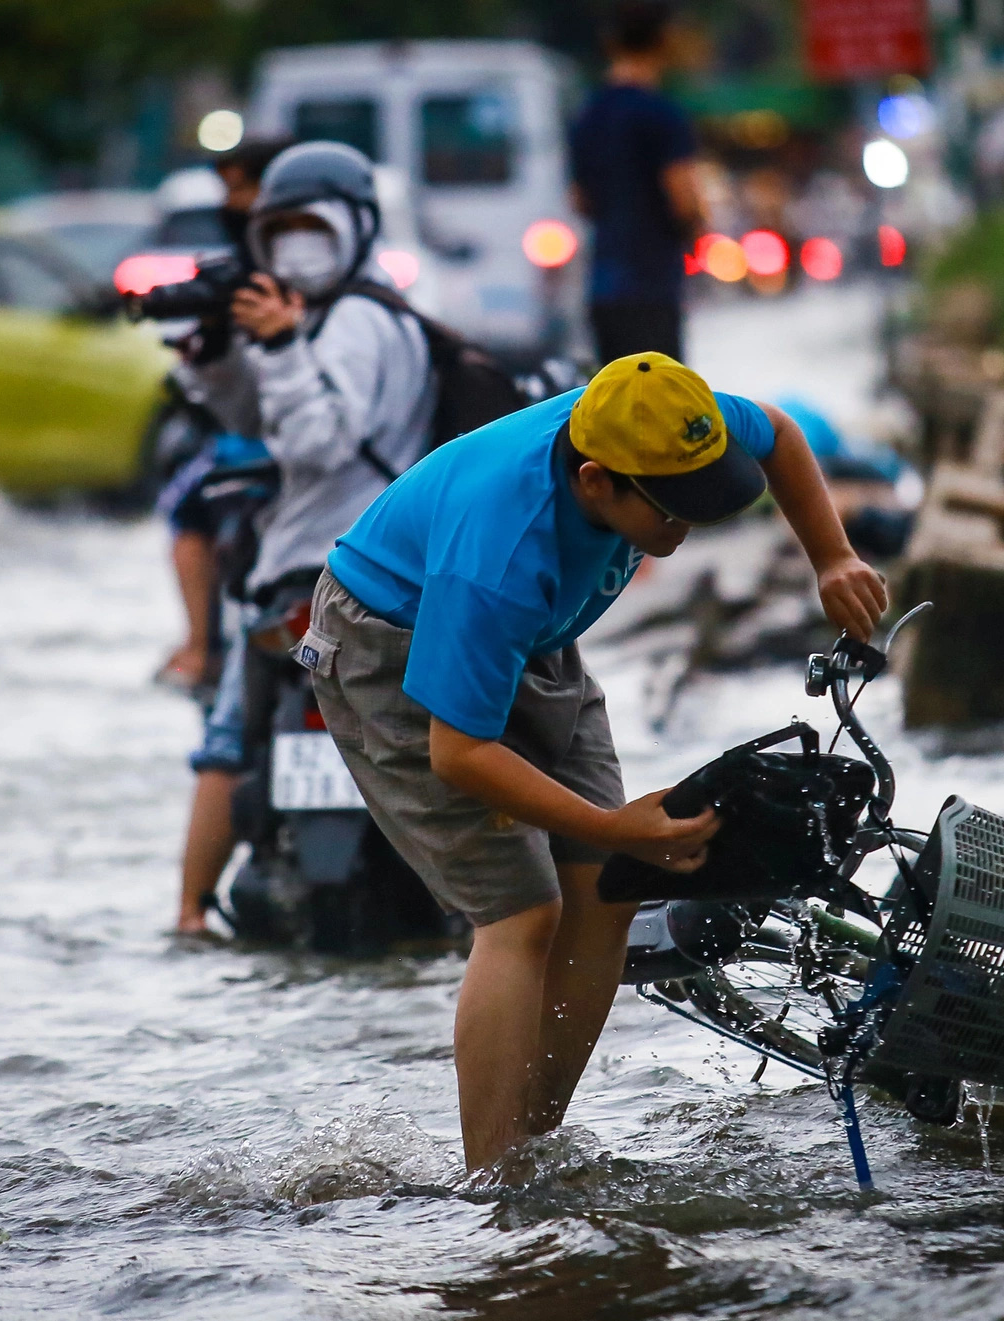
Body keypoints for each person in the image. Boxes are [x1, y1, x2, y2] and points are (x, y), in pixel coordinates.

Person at [300, 353, 887, 1166]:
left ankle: (536, 1137)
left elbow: (779, 432)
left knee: (609, 885)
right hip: (391, 641)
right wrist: (613, 822)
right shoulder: (500, 555)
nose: (686, 525)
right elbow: (460, 753)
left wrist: (833, 557)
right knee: (520, 913)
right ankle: (493, 1183)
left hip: (534, 637)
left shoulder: (662, 416)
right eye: (671, 508)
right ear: (596, 482)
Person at [174, 140, 437, 934]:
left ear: (355, 228)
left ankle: (187, 915)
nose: (295, 247)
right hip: (334, 574)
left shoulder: (358, 319)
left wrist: (283, 348)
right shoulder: (319, 315)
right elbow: (254, 419)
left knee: (226, 739)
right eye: (277, 230)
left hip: (336, 572)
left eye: (311, 229)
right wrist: (223, 353)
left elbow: (318, 442)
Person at [155, 137, 294, 696]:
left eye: (243, 189)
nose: (234, 205)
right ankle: (202, 643)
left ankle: (199, 648)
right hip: (254, 438)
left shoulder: (318, 280)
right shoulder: (237, 266)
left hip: (301, 452)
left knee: (187, 505)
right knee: (185, 504)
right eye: (229, 191)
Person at [568, 0, 707, 364]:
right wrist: (695, 229)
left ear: (612, 42)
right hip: (652, 286)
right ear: (665, 40)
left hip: (603, 288)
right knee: (662, 405)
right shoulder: (663, 115)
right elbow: (685, 200)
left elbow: (580, 200)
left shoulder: (588, 115)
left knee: (615, 403)